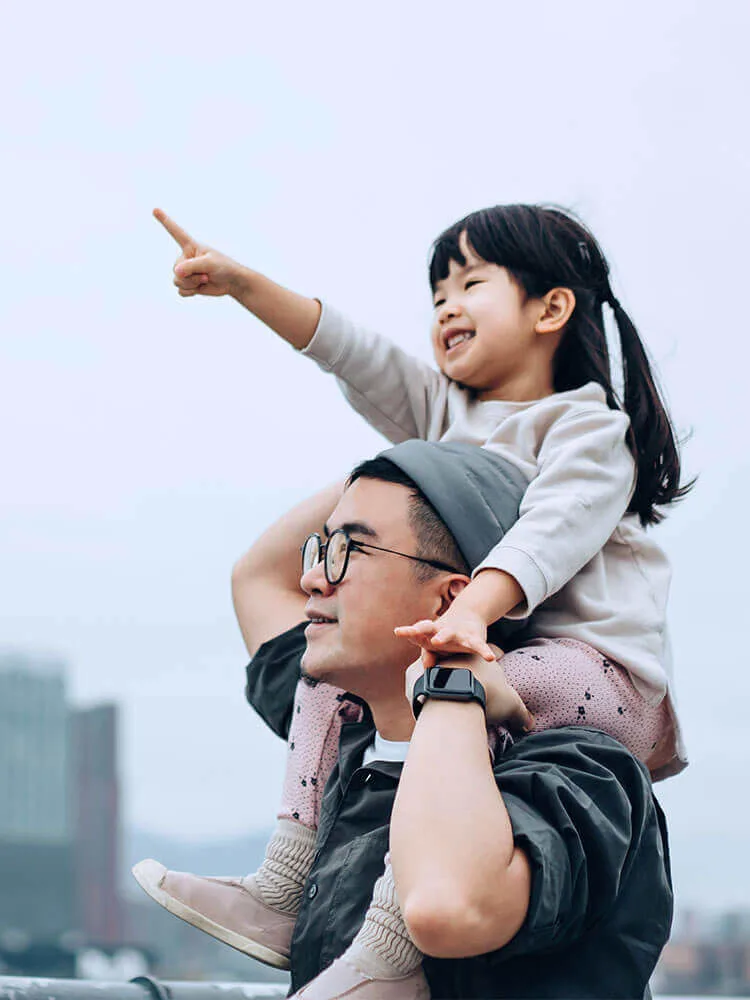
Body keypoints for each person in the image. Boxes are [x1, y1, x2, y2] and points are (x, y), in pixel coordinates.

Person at [134, 203, 689, 990]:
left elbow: (552, 532)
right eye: (435, 297)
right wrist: (244, 285)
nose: (446, 308)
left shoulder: (585, 426)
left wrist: (470, 612)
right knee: (335, 682)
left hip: (595, 672)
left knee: (445, 679)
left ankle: (392, 954)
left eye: (470, 284)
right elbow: (355, 356)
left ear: (551, 308)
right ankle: (285, 881)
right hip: (486, 644)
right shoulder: (445, 418)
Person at [134, 442, 674, 998]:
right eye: (320, 548)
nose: (314, 579)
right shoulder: (335, 735)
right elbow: (256, 577)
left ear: (449, 600)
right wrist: (442, 438)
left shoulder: (581, 774)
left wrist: (452, 677)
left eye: (350, 549)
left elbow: (449, 906)